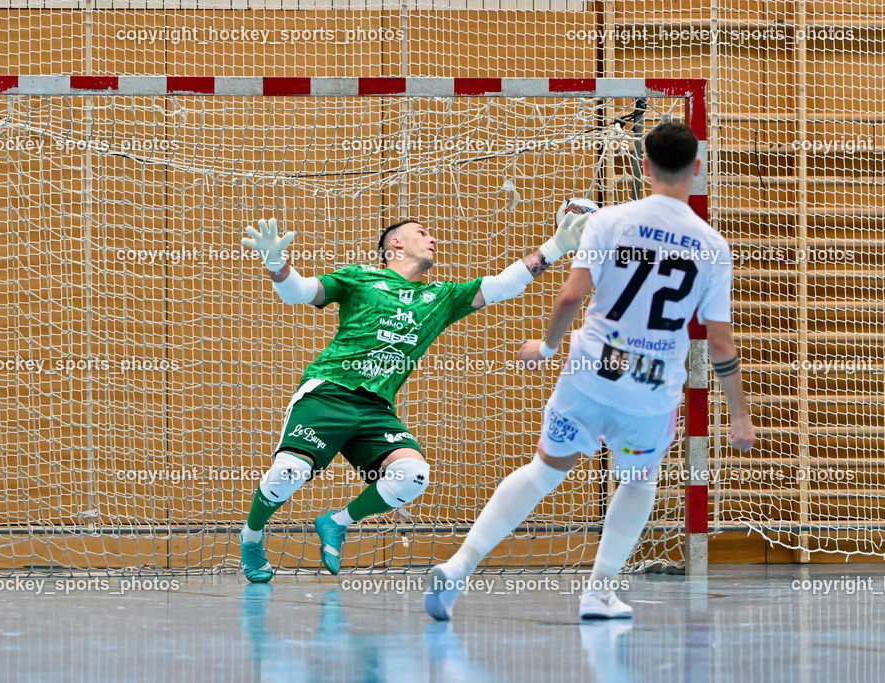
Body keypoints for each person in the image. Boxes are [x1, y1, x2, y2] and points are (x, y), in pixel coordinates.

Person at [424, 121, 756, 621]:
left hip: (589, 371)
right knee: (639, 482)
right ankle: (599, 593)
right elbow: (720, 342)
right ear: (697, 170)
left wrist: (547, 345)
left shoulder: (610, 221)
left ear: (645, 167)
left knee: (543, 471)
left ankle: (459, 566)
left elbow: (571, 296)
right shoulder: (712, 246)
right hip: (650, 389)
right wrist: (738, 415)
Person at [237, 210, 591, 582]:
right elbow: (299, 292)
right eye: (422, 232)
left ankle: (336, 523)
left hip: (376, 408)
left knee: (412, 474)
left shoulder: (440, 297)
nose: (432, 238)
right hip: (328, 393)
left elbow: (504, 284)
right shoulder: (361, 278)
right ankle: (251, 537)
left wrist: (555, 247)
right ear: (396, 243)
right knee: (291, 471)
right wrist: (276, 264)